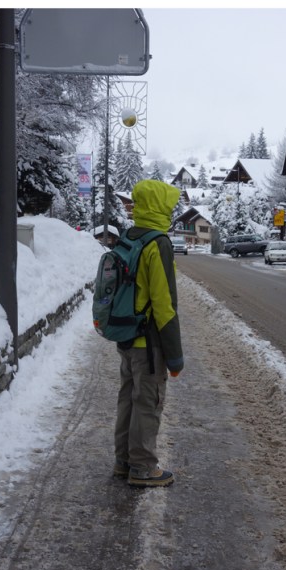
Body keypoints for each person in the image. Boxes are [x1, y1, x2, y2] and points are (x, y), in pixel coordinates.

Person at [113, 179, 184, 488]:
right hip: (149, 343)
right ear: (159, 206)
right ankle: (142, 467)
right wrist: (175, 356)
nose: (172, 209)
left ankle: (124, 461)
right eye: (169, 204)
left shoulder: (129, 237)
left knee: (128, 399)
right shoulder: (158, 243)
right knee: (148, 403)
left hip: (127, 337)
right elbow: (164, 305)